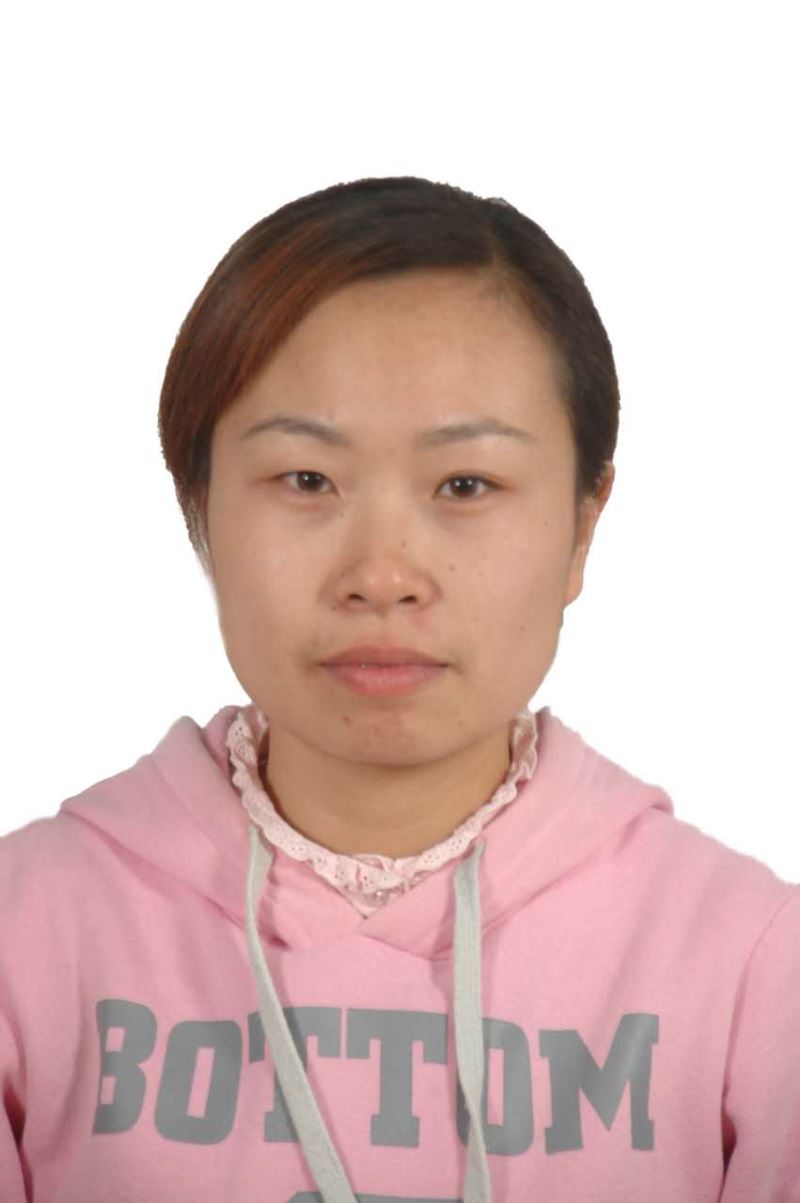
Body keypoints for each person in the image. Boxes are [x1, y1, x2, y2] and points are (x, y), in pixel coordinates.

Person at [1, 176, 797, 1203]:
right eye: (305, 480)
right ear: (198, 510)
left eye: (465, 485)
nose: (381, 575)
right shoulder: (27, 931)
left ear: (581, 526)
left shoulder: (752, 964)